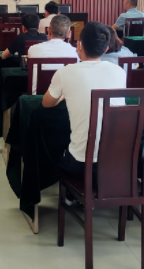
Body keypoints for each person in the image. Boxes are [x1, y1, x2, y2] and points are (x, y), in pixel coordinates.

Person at [42, 21, 126, 178]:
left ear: (79, 45)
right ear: (106, 49)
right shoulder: (119, 71)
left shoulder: (65, 72)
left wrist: (64, 95)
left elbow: (46, 103)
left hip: (80, 163)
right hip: (115, 161)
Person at [28, 15, 78, 93]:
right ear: (69, 34)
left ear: (48, 30)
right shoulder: (75, 52)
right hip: (64, 97)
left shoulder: (33, 49)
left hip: (37, 96)